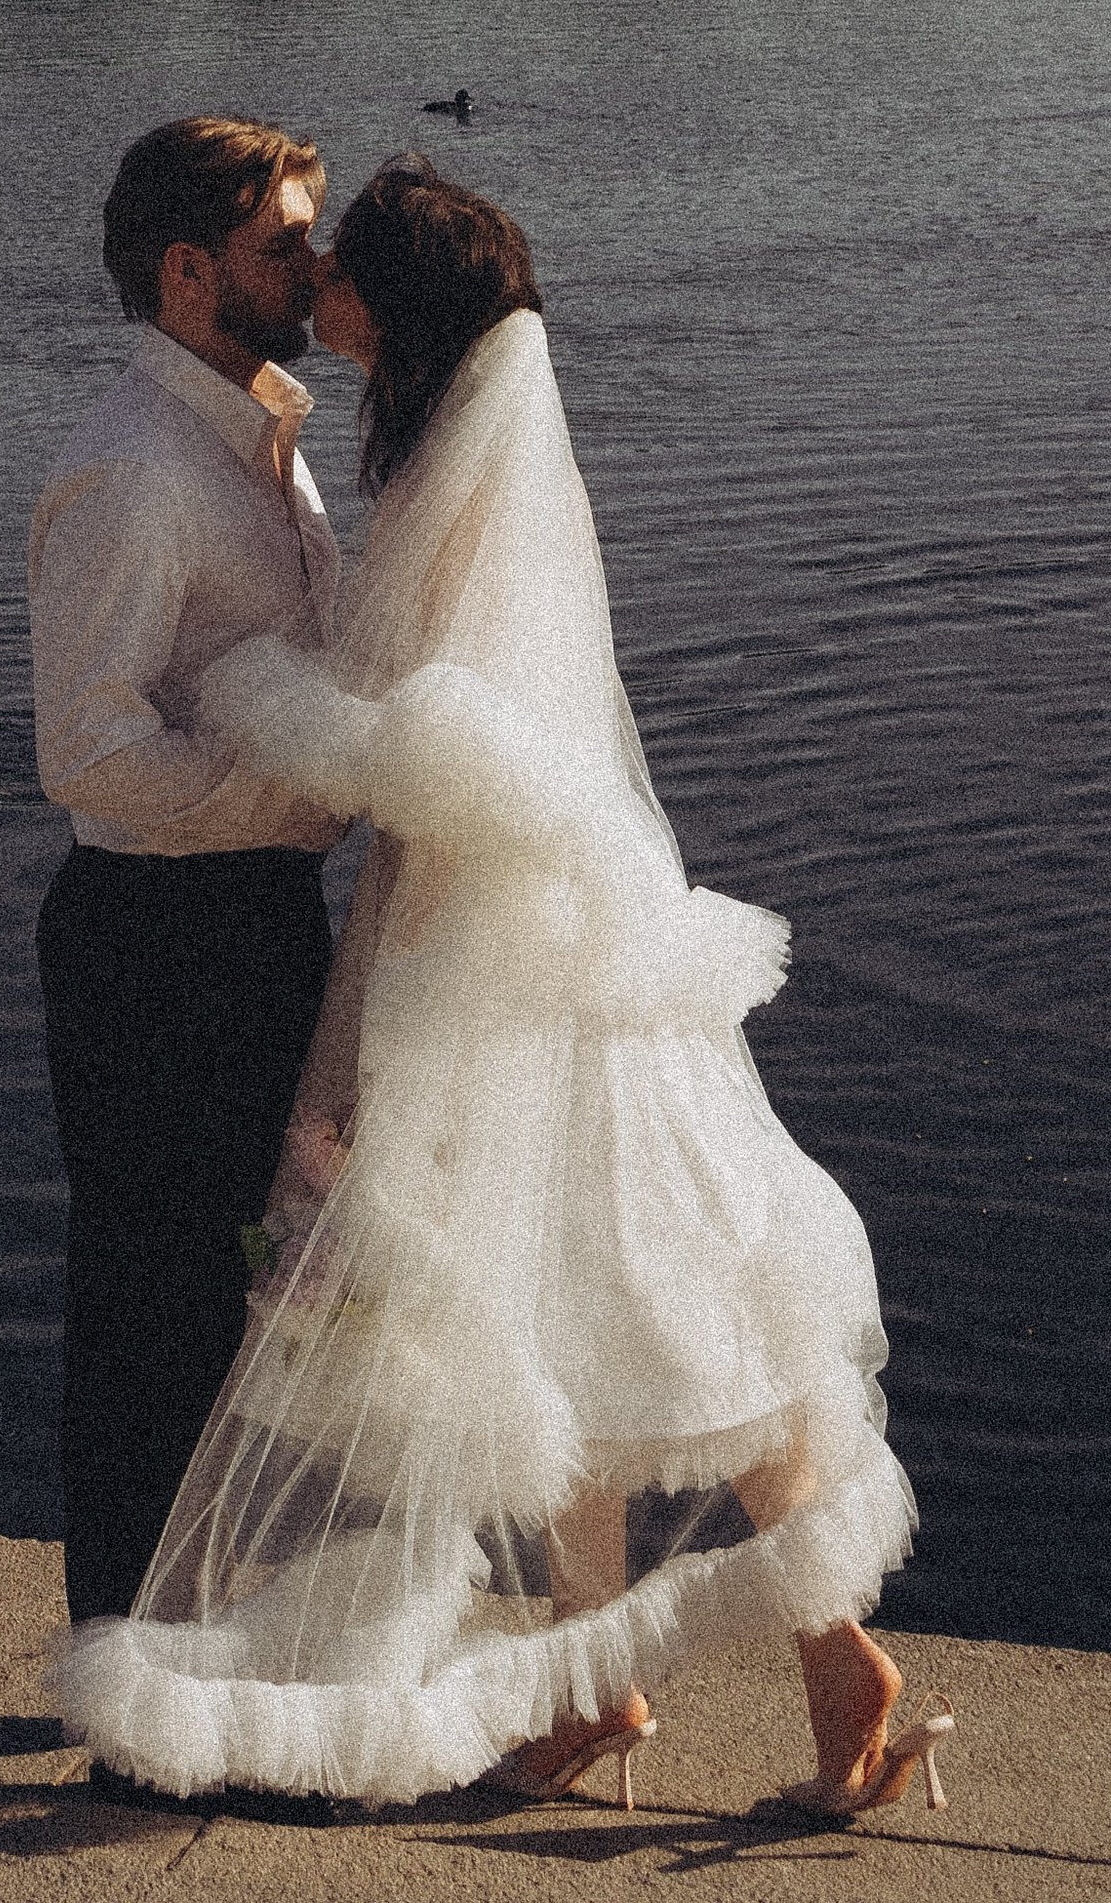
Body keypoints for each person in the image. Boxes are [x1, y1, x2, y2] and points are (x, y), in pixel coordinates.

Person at [55, 159, 948, 1826]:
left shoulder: (461, 474)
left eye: (337, 273)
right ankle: (605, 1683)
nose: (314, 288)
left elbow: (429, 733)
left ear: (391, 310)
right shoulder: (474, 442)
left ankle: (803, 1661)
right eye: (293, 254)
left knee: (629, 1291)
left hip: (505, 953)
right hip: (524, 931)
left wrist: (254, 693)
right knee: (578, 1302)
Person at [28, 117, 350, 1634]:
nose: (314, 267)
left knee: (244, 1305)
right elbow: (87, 756)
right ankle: (139, 1696)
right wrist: (289, 789)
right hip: (156, 940)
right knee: (154, 1318)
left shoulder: (257, 440)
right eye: (282, 243)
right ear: (186, 270)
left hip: (250, 919)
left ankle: (187, 1657)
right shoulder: (137, 474)